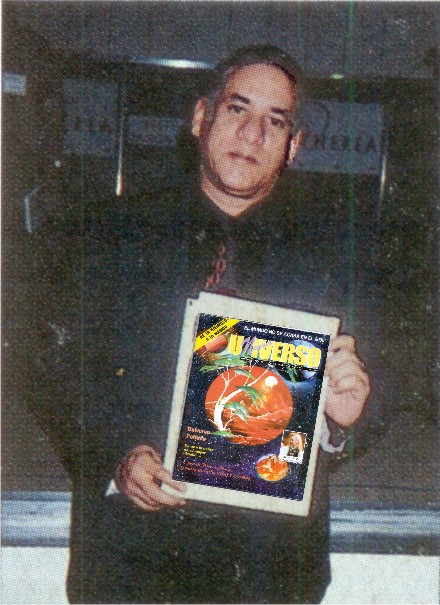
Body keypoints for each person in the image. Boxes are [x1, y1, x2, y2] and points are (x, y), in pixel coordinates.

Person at [29, 45, 370, 604]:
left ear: (294, 145)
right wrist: (115, 455)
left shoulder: (338, 257)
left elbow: (384, 389)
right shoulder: (108, 233)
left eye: (276, 121)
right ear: (199, 117)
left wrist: (340, 421)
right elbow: (51, 372)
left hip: (268, 575)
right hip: (130, 566)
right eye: (237, 109)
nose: (252, 135)